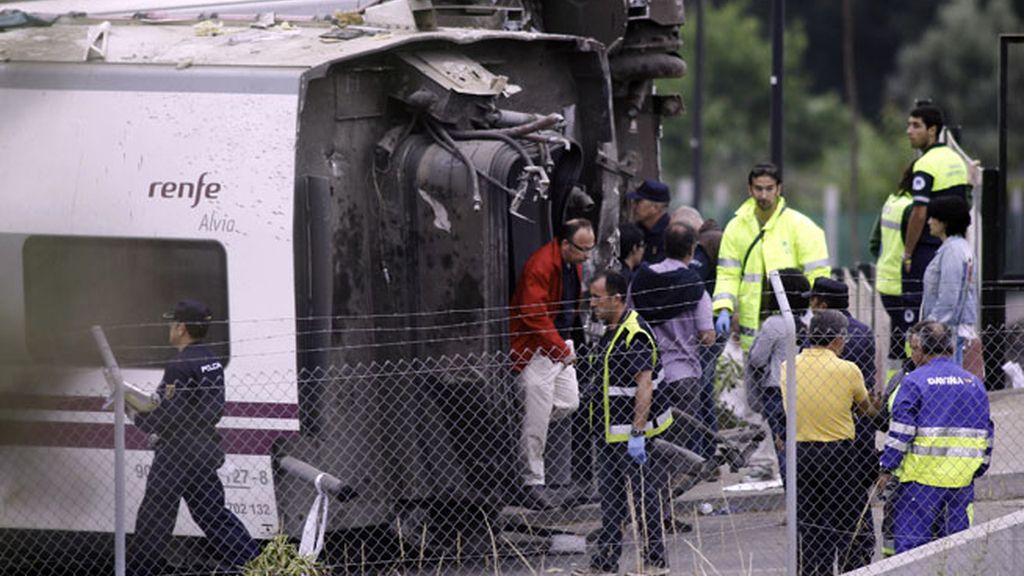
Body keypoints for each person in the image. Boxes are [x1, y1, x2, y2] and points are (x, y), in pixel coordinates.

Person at [128, 300, 258, 576]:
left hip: (176, 455)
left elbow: (171, 412)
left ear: (181, 327)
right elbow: (209, 411)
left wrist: (138, 418)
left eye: (172, 322)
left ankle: (141, 571)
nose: (169, 327)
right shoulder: (212, 361)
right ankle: (254, 564)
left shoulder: (180, 364)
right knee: (213, 514)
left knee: (155, 515)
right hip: (203, 452)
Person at [573, 270, 672, 576]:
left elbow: (644, 385)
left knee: (643, 502)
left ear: (616, 298)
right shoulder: (611, 331)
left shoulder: (634, 333)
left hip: (629, 436)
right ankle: (605, 563)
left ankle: (655, 563)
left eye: (596, 297)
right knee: (612, 505)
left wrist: (638, 433)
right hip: (607, 435)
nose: (591, 303)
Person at [877, 321, 993, 554]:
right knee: (954, 550)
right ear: (950, 347)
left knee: (912, 553)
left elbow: (902, 431)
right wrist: (979, 467)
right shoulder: (973, 383)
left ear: (920, 349)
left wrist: (887, 467)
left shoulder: (914, 381)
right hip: (960, 479)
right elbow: (987, 431)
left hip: (920, 482)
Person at [873, 102, 970, 380]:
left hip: (926, 249)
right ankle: (950, 376)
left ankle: (914, 379)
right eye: (908, 125)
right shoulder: (956, 161)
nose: (908, 131)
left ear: (933, 130)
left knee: (917, 320)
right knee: (950, 319)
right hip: (951, 243)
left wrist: (908, 253)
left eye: (915, 126)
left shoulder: (925, 164)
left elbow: (919, 211)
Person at [780, 310, 880, 576]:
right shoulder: (848, 370)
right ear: (837, 340)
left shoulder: (788, 366)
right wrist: (871, 405)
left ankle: (814, 571)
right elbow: (866, 408)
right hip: (839, 456)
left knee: (811, 527)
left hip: (801, 454)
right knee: (850, 523)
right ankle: (852, 569)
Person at [509, 219, 593, 509]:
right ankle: (532, 481)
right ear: (566, 245)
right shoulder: (542, 265)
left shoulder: (567, 261)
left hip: (556, 344)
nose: (587, 256)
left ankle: (522, 436)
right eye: (583, 249)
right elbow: (533, 314)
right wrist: (559, 348)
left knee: (567, 403)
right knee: (538, 418)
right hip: (539, 349)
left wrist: (561, 347)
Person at [712, 162, 830, 351]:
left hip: (792, 326)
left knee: (786, 378)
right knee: (755, 374)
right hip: (751, 327)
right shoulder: (736, 228)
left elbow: (818, 277)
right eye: (758, 189)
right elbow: (728, 273)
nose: (764, 195)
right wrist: (724, 308)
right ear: (750, 189)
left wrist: (812, 317)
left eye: (769, 188)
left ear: (779, 189)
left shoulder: (801, 227)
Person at [805, 277, 878, 569]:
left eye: (813, 301)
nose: (810, 307)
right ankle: (858, 560)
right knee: (856, 501)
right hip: (859, 427)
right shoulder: (864, 332)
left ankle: (824, 561)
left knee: (822, 507)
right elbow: (868, 389)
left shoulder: (818, 337)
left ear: (822, 304)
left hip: (825, 431)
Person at [631, 223, 715, 459]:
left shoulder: (641, 279)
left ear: (664, 246)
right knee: (676, 450)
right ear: (691, 249)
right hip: (683, 375)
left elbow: (628, 317)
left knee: (650, 443)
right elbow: (707, 335)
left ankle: (647, 491)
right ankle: (669, 493)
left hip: (645, 376)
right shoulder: (695, 285)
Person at [745, 268, 810, 482]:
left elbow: (757, 358)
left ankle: (792, 502)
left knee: (783, 447)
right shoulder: (809, 324)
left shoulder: (774, 324)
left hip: (777, 392)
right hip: (807, 389)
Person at [920, 195, 982, 378]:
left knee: (946, 379)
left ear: (945, 222)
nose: (929, 221)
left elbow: (949, 294)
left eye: (934, 217)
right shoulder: (960, 247)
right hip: (951, 331)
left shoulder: (952, 251)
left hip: (946, 333)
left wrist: (932, 325)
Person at [627, 179, 671, 264]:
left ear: (655, 208)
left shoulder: (669, 235)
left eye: (638, 202)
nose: (633, 206)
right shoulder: (636, 230)